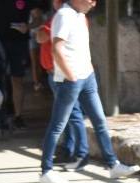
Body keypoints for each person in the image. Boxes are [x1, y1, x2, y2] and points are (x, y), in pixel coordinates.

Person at [38, 0, 139, 183]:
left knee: (99, 121)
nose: (93, 3)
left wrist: (88, 69)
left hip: (86, 76)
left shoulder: (80, 16)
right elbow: (56, 48)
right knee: (58, 125)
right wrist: (71, 76)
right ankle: (46, 171)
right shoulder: (63, 15)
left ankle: (113, 165)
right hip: (72, 80)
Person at [37, 0, 86, 170]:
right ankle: (70, 151)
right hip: (58, 75)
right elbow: (40, 36)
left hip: (64, 75)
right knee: (69, 115)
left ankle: (79, 153)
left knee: (72, 115)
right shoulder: (61, 16)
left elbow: (42, 36)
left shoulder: (67, 16)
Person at [0, 0, 41, 129]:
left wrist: (28, 26)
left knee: (17, 79)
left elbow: (38, 18)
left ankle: (18, 116)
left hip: (19, 42)